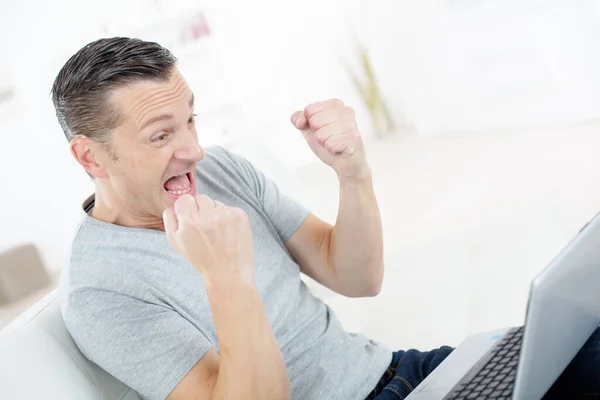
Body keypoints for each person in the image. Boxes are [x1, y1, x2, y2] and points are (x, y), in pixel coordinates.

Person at [54, 37, 599, 400]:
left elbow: (358, 277)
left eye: (191, 118)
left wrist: (353, 173)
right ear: (89, 157)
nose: (194, 149)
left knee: (586, 345)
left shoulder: (220, 170)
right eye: (161, 135)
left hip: (403, 373)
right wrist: (226, 276)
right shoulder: (101, 292)